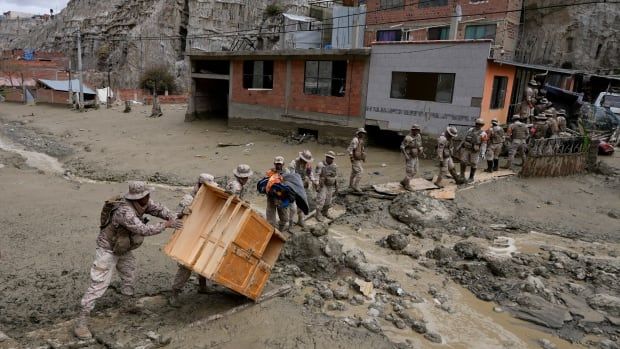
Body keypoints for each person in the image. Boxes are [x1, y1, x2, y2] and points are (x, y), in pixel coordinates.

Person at [74, 181, 182, 340]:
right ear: (138, 197)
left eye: (148, 195)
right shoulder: (125, 211)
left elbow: (158, 209)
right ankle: (81, 322)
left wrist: (173, 216)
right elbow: (143, 230)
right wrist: (166, 224)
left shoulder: (143, 202)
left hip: (122, 248)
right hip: (107, 250)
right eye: (146, 195)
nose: (149, 197)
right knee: (98, 284)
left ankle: (128, 305)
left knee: (129, 275)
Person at [168, 174, 217, 308]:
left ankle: (202, 286)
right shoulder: (189, 198)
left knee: (202, 259)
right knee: (186, 266)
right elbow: (174, 215)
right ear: (200, 185)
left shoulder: (208, 196)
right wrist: (183, 212)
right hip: (187, 235)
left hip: (201, 233)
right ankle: (174, 293)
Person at [288, 150, 315, 229]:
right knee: (292, 206)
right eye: (304, 160)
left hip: (302, 185)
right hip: (293, 185)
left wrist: (314, 181)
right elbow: (292, 177)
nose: (305, 162)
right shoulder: (293, 164)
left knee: (302, 203)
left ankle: (300, 219)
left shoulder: (307, 165)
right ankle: (290, 222)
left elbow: (310, 174)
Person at [458, 118, 488, 183]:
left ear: (482, 125)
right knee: (463, 161)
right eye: (477, 124)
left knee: (473, 163)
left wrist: (483, 153)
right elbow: (464, 138)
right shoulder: (470, 130)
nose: (478, 125)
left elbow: (484, 144)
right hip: (467, 148)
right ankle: (462, 175)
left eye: (479, 124)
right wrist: (460, 145)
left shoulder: (483, 134)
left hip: (475, 150)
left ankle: (471, 177)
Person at [265, 156, 289, 231]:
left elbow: (289, 185)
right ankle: (272, 234)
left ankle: (280, 230)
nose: (278, 165)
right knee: (270, 221)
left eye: (280, 164)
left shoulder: (286, 173)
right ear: (274, 164)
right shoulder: (270, 172)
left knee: (284, 218)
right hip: (271, 198)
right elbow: (265, 185)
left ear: (283, 164)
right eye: (277, 164)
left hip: (281, 198)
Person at [315, 151, 338, 222]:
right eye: (328, 157)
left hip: (330, 184)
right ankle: (318, 214)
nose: (330, 159)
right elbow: (317, 176)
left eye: (331, 158)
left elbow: (336, 176)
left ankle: (325, 212)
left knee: (329, 199)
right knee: (321, 199)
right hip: (323, 183)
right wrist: (317, 185)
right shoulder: (321, 165)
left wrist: (336, 186)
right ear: (326, 157)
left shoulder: (334, 166)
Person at [400, 124, 424, 191]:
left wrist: (421, 150)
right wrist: (406, 155)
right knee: (410, 172)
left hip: (416, 156)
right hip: (410, 156)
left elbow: (419, 144)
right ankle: (407, 185)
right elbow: (402, 147)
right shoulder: (408, 138)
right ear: (412, 130)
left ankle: (404, 181)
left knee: (415, 171)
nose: (417, 131)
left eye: (418, 130)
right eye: (416, 130)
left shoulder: (418, 136)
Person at [347, 128, 367, 192]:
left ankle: (350, 185)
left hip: (358, 159)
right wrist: (351, 158)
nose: (363, 134)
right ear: (359, 133)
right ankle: (356, 186)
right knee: (360, 172)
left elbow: (362, 150)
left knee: (353, 173)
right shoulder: (355, 140)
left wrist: (363, 157)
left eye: (364, 133)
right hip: (355, 159)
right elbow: (350, 149)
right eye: (362, 133)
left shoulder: (361, 140)